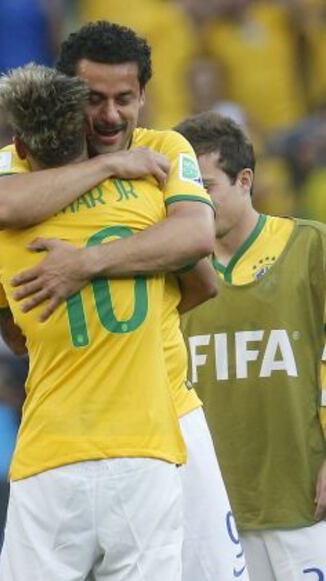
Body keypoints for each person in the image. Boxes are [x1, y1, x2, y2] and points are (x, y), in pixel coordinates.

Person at [0, 21, 247, 580]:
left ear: (144, 96)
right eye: (94, 99)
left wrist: (85, 264)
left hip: (168, 403)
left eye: (125, 99)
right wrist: (109, 167)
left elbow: (198, 241)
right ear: (69, 96)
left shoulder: (166, 146)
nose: (110, 116)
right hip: (127, 427)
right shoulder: (30, 165)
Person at [177, 111, 326, 581]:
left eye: (205, 186)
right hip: (205, 510)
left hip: (301, 501)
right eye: (184, 190)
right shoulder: (171, 268)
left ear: (245, 180)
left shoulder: (310, 248)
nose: (193, 202)